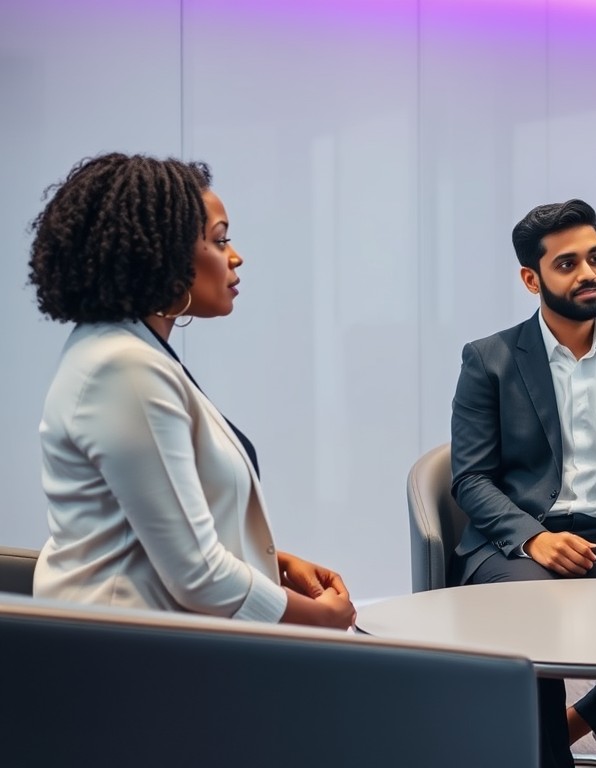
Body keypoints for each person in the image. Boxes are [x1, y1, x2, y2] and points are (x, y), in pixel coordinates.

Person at [28, 153, 355, 630]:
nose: (235, 256)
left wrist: (272, 564)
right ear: (162, 254)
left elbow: (155, 536)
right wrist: (321, 618)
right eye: (220, 240)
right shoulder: (124, 368)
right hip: (131, 651)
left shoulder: (123, 351)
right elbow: (199, 577)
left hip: (150, 636)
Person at [450, 198, 596, 768]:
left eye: (595, 257)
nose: (588, 273)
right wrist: (532, 538)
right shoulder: (489, 360)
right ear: (531, 279)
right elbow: (471, 478)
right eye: (567, 263)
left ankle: (572, 726)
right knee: (532, 629)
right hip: (518, 544)